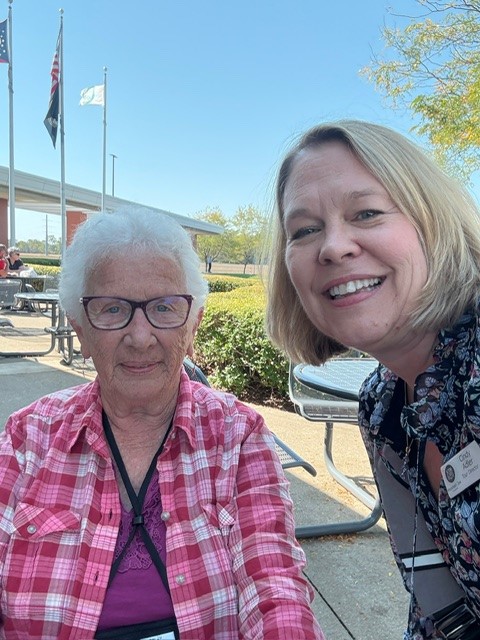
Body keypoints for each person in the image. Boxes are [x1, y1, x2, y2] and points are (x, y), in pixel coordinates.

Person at [0, 206, 324, 640]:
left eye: (165, 307)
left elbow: (276, 590)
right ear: (80, 330)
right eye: (112, 309)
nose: (140, 336)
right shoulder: (26, 439)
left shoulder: (238, 437)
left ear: (193, 326)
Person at [266, 119, 480, 639]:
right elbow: (440, 608)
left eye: (366, 213)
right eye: (305, 230)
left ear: (434, 222)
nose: (333, 247)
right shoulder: (382, 403)